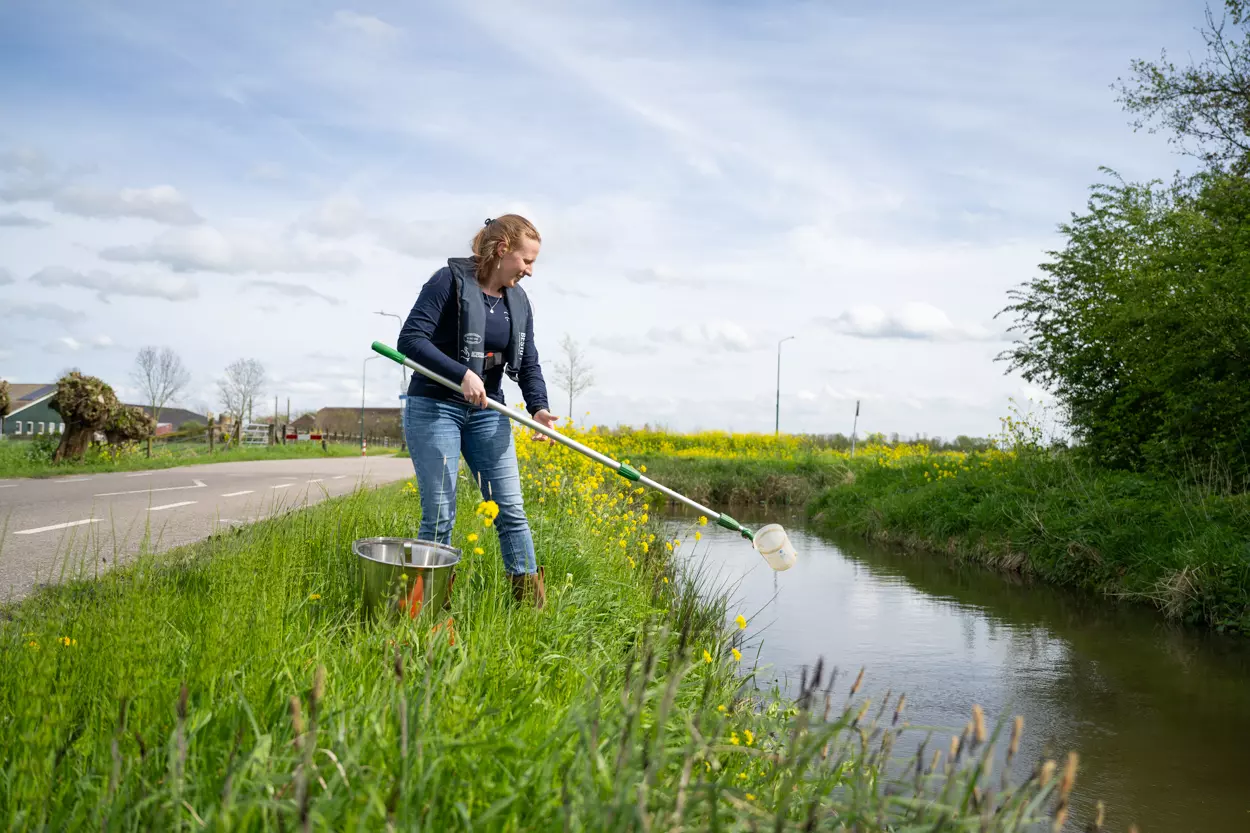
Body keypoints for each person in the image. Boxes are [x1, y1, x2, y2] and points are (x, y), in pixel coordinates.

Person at [396, 214, 559, 608]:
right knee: (439, 514)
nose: (531, 271)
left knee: (512, 510)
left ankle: (529, 610)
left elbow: (529, 363)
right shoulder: (446, 281)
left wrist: (539, 407)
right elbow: (410, 339)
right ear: (503, 250)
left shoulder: (519, 302)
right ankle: (428, 611)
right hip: (436, 406)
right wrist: (461, 373)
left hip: (488, 411)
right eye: (527, 260)